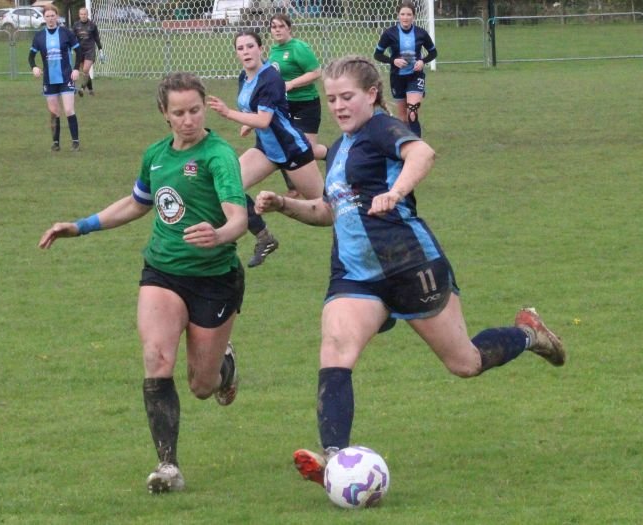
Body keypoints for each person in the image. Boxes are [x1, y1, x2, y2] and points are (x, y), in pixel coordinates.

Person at [254, 56, 567, 487]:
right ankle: (335, 457)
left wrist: (396, 191)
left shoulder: (382, 129)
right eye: (332, 99)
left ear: (371, 94)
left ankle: (529, 334)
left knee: (465, 363)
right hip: (355, 275)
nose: (339, 106)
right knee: (336, 349)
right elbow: (330, 210)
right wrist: (284, 205)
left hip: (410, 265)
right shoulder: (340, 147)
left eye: (347, 97)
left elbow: (422, 152)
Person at [38, 72, 247, 494]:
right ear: (164, 114)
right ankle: (167, 466)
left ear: (204, 107)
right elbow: (137, 203)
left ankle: (223, 367)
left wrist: (219, 235)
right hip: (163, 271)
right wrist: (80, 226)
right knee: (156, 357)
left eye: (195, 110)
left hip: (214, 279)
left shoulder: (219, 156)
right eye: (179, 113)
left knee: (201, 386)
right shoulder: (155, 155)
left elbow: (238, 217)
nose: (188, 120)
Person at [207, 30, 324, 268]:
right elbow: (257, 111)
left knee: (327, 210)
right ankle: (264, 238)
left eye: (250, 46)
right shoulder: (244, 76)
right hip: (266, 150)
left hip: (292, 150)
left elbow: (263, 120)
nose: (246, 52)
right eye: (240, 48)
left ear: (261, 49)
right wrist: (246, 123)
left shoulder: (270, 77)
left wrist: (229, 113)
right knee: (228, 187)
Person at [268, 13, 327, 162]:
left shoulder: (298, 47)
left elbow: (316, 72)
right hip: (285, 105)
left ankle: (334, 154)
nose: (277, 30)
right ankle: (294, 178)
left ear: (289, 28)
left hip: (305, 103)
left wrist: (292, 83)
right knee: (289, 147)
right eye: (274, 27)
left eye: (281, 26)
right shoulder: (274, 50)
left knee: (309, 150)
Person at [374, 0, 437, 137]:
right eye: (402, 14)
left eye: (409, 14)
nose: (405, 17)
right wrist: (393, 61)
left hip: (415, 76)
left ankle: (418, 145)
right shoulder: (389, 33)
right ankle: (405, 144)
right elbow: (377, 54)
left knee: (412, 112)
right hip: (397, 77)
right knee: (403, 118)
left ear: (413, 16)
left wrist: (423, 61)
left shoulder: (421, 33)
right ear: (398, 15)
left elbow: (433, 53)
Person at [29, 4, 82, 152]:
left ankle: (75, 142)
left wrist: (76, 69)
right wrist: (34, 67)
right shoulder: (39, 36)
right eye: (48, 16)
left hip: (66, 77)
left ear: (57, 16)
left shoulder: (66, 33)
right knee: (54, 112)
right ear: (44, 18)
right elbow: (31, 57)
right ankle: (56, 143)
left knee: (69, 109)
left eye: (53, 16)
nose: (50, 19)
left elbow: (79, 51)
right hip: (49, 79)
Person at [72, 7, 103, 97]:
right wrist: (70, 48)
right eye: (81, 14)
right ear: (79, 15)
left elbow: (97, 38)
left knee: (85, 69)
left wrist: (100, 50)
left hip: (90, 50)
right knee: (85, 72)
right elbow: (72, 38)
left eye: (85, 14)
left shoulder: (92, 25)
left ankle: (82, 89)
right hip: (79, 51)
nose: (83, 16)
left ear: (87, 14)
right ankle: (91, 90)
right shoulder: (76, 25)